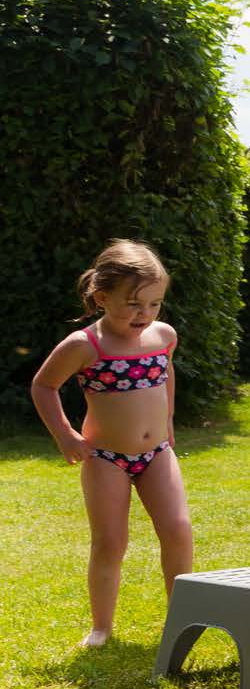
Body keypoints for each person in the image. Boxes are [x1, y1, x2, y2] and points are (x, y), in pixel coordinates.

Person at [31, 240, 192, 648]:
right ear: (102, 298)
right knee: (109, 542)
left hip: (157, 453)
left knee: (177, 529)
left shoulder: (163, 336)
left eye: (154, 304)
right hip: (106, 458)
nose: (145, 314)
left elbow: (165, 375)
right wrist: (66, 435)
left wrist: (168, 422)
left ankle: (182, 619)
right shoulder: (85, 345)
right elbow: (44, 385)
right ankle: (101, 627)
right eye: (134, 304)